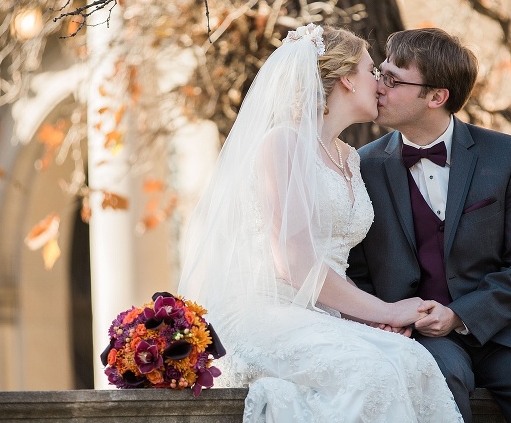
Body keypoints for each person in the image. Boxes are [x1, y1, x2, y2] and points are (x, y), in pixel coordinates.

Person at [178, 24, 462, 422]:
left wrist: (366, 317)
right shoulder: (282, 143)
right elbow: (294, 264)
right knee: (373, 372)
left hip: (321, 312)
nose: (379, 82)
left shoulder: (350, 157)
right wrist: (385, 311)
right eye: (371, 71)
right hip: (267, 311)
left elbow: (335, 262)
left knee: (413, 362)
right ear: (346, 78)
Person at [347, 28, 511, 423]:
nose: (378, 87)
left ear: (437, 97)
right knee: (440, 400)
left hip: (509, 330)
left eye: (393, 79)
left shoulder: (508, 156)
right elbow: (356, 269)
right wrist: (386, 319)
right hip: (419, 337)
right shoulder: (362, 165)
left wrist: (459, 315)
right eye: (380, 73)